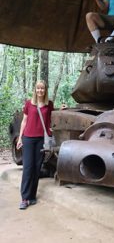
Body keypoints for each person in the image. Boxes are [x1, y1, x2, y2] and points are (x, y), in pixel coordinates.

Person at [16, 80, 54, 210]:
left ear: (45, 90)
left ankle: (32, 196)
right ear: (35, 90)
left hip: (40, 140)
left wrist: (64, 108)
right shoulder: (29, 104)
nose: (40, 91)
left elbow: (50, 120)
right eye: (38, 88)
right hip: (28, 139)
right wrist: (20, 138)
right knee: (28, 168)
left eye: (42, 88)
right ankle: (24, 198)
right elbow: (24, 121)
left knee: (37, 168)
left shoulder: (49, 104)